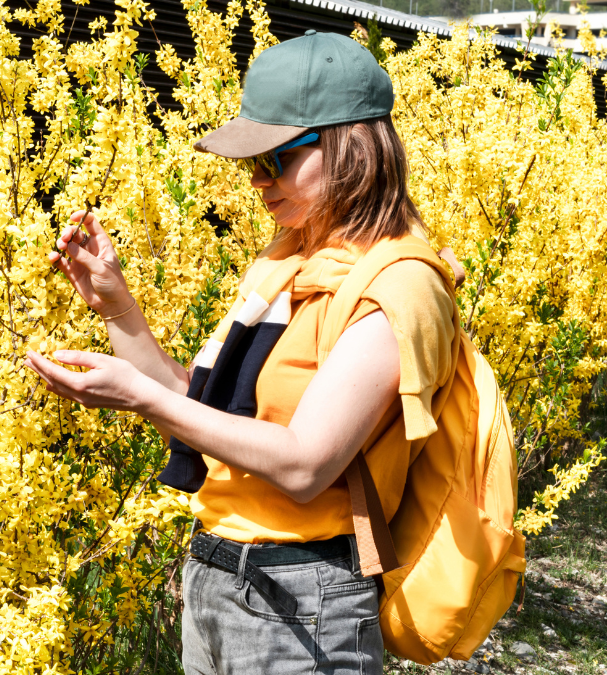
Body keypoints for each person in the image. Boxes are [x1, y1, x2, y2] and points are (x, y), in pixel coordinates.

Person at [24, 31, 459, 674]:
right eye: (250, 163)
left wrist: (138, 397)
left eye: (276, 159)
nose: (258, 181)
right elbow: (203, 409)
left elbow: (305, 466)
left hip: (304, 603)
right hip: (217, 584)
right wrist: (116, 306)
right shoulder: (286, 262)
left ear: (350, 148)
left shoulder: (400, 287)